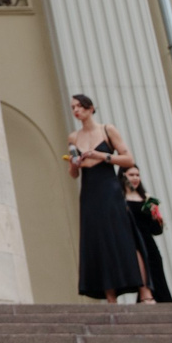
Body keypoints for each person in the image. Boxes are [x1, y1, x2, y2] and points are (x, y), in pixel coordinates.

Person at [66, 92, 143, 303]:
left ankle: (138, 287)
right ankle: (109, 296)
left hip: (109, 188)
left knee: (116, 235)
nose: (76, 111)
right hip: (89, 190)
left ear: (90, 108)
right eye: (73, 107)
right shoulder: (73, 137)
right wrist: (74, 164)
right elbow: (73, 174)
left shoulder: (107, 129)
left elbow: (129, 159)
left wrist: (102, 156)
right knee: (96, 238)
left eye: (79, 106)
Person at [122, 165, 172, 305]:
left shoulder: (146, 198)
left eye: (137, 175)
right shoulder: (119, 199)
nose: (135, 178)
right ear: (123, 176)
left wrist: (158, 220)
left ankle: (162, 303)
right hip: (131, 242)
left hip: (148, 241)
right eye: (131, 175)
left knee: (156, 273)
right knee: (142, 276)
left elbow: (156, 230)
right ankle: (146, 300)